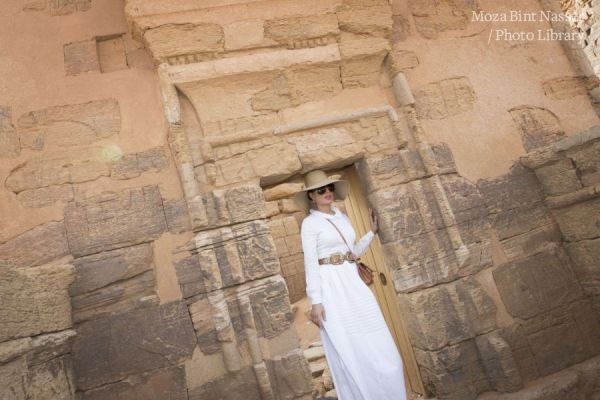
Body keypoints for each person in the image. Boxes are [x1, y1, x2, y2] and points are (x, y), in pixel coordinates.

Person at [294, 169, 407, 400]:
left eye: (329, 188)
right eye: (320, 190)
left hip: (352, 281)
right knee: (348, 344)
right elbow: (311, 264)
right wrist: (316, 302)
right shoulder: (310, 223)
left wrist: (371, 234)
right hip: (331, 287)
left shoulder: (341, 216)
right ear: (311, 196)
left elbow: (351, 252)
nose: (327, 192)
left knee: (377, 337)